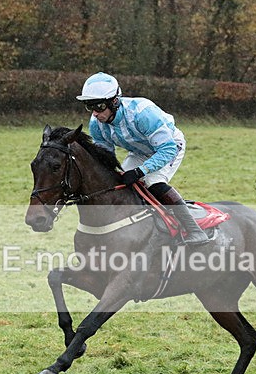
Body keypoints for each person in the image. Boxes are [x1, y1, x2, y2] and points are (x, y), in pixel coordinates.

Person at [76, 72, 210, 245]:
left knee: (153, 181)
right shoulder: (96, 124)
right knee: (118, 183)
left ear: (114, 101)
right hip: (140, 153)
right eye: (89, 107)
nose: (95, 114)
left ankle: (195, 230)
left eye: (99, 106)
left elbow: (167, 149)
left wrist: (140, 171)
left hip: (169, 146)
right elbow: (105, 158)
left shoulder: (142, 113)